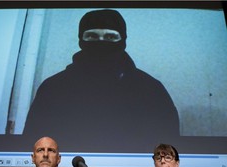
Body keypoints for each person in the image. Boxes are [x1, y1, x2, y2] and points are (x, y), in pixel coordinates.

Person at [23, 9, 180, 153]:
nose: (101, 42)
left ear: (123, 40)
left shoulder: (151, 90)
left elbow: (168, 148)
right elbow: (33, 144)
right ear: (80, 40)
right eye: (92, 36)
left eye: (111, 37)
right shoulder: (53, 88)